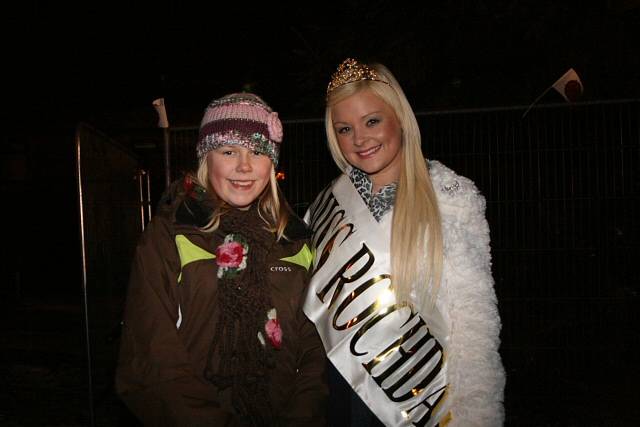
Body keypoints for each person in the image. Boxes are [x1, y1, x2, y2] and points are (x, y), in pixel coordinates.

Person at [303, 58, 505, 426]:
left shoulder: (450, 199)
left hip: (417, 403)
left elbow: (474, 324)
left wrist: (478, 416)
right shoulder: (327, 206)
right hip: (338, 392)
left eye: (372, 121)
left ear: (400, 117)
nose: (360, 139)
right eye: (344, 128)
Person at [116, 93, 328, 426]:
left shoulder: (295, 242)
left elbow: (314, 352)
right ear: (206, 158)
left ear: (271, 164)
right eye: (229, 151)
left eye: (257, 152)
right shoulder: (171, 235)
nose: (244, 166)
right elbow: (151, 357)